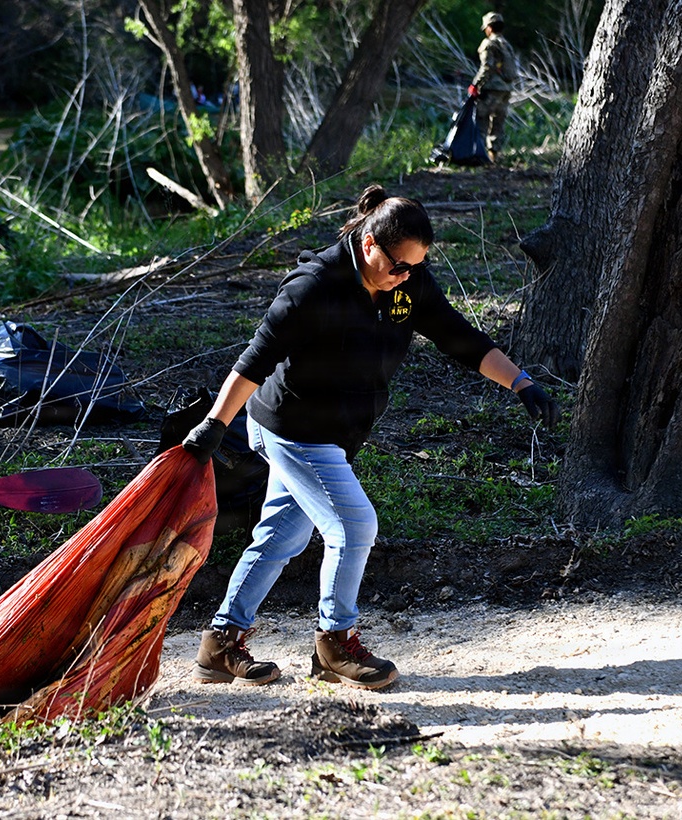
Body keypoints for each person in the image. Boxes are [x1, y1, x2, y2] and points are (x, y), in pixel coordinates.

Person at [182, 184, 558, 690]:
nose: (406, 277)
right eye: (398, 265)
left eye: (415, 267)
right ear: (369, 245)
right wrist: (214, 424)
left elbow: (458, 337)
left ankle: (219, 644)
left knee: (281, 536)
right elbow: (255, 360)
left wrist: (521, 382)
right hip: (292, 430)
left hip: (334, 436)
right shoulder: (312, 287)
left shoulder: (407, 285)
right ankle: (335, 643)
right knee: (354, 525)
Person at [468, 12, 518, 163]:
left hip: (492, 89)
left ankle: (479, 156)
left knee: (482, 120)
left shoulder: (488, 44)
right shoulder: (506, 44)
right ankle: (494, 156)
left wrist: (475, 85)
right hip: (506, 89)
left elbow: (486, 67)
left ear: (489, 28)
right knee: (498, 122)